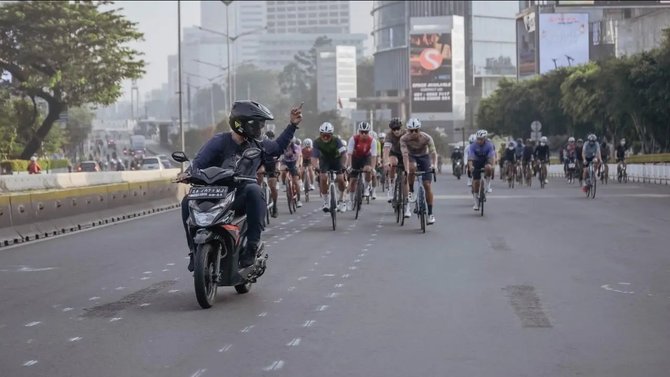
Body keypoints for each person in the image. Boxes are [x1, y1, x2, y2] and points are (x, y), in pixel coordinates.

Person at [180, 101, 302, 271]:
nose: (260, 128)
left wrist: (292, 126)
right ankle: (194, 251)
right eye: (257, 124)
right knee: (187, 201)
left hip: (240, 195)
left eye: (261, 124)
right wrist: (187, 173)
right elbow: (199, 162)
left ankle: (251, 247)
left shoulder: (259, 143)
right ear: (243, 123)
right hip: (214, 194)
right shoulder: (219, 141)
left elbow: (277, 148)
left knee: (254, 190)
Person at [400, 118, 437, 224]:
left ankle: (430, 213)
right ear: (407, 130)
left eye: (416, 130)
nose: (413, 133)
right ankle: (411, 190)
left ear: (419, 130)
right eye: (411, 130)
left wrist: (434, 165)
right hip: (411, 157)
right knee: (411, 168)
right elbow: (405, 155)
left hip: (424, 157)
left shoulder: (427, 138)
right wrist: (406, 169)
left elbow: (433, 152)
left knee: (427, 185)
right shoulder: (404, 139)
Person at [311, 122, 348, 212]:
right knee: (323, 177)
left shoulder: (337, 140)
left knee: (340, 179)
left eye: (328, 135)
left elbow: (344, 155)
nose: (326, 137)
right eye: (324, 135)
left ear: (331, 134)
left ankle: (342, 200)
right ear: (320, 134)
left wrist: (343, 165)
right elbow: (314, 157)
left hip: (336, 160)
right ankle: (326, 201)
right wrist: (316, 167)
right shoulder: (317, 142)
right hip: (325, 161)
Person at [346, 121, 378, 209]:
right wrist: (349, 166)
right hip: (355, 158)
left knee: (368, 169)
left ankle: (366, 187)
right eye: (362, 132)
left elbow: (374, 156)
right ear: (358, 132)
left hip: (366, 157)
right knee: (352, 181)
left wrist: (373, 168)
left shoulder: (372, 141)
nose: (364, 134)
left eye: (366, 132)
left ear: (369, 132)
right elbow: (349, 154)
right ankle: (351, 200)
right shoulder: (353, 139)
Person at [468, 130, 495, 211]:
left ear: (485, 138)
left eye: (481, 139)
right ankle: (476, 203)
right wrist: (471, 166)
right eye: (478, 139)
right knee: (476, 183)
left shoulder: (489, 145)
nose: (479, 141)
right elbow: (470, 158)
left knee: (489, 168)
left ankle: (488, 184)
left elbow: (492, 157)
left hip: (486, 160)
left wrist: (493, 166)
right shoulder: (473, 145)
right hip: (476, 161)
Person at [383, 118, 406, 201]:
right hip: (393, 153)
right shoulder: (389, 135)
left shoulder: (406, 133)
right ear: (391, 129)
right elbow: (386, 150)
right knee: (393, 163)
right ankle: (391, 186)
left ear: (401, 128)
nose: (396, 131)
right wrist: (386, 162)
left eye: (398, 128)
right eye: (394, 129)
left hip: (404, 154)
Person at [260, 130, 280, 218]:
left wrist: (277, 169)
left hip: (272, 167)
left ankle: (275, 205)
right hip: (262, 166)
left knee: (272, 186)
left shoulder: (274, 148)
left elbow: (278, 161)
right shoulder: (259, 149)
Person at [279, 137, 303, 208]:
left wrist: (296, 165)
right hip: (285, 162)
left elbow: (298, 157)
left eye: (289, 142)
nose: (288, 143)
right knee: (283, 172)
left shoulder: (295, 147)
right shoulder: (282, 146)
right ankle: (284, 184)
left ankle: (298, 200)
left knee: (295, 181)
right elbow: (280, 157)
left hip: (293, 162)